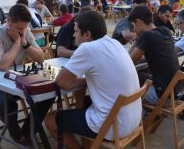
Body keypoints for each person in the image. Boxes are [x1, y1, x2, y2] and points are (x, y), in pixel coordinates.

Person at [45, 10, 141, 149]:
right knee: (83, 103)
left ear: (87, 34)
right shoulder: (114, 43)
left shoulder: (87, 48)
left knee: (50, 119)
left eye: (76, 31)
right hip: (132, 119)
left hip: (113, 125)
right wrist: (89, 80)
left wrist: (85, 80)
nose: (73, 35)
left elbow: (61, 82)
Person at [0, 4, 54, 144]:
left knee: (47, 93)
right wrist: (17, 43)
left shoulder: (26, 31)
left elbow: (41, 58)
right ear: (8, 21)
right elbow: (2, 66)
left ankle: (29, 131)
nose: (23, 31)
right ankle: (17, 136)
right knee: (8, 104)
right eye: (19, 28)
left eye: (25, 28)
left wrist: (25, 44)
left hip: (17, 79)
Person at [128, 5, 182, 104]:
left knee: (129, 81)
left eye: (133, 26)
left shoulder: (147, 36)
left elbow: (129, 62)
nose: (134, 30)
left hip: (163, 96)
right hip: (177, 90)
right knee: (141, 75)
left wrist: (137, 38)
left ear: (138, 22)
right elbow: (157, 55)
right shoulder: (165, 31)